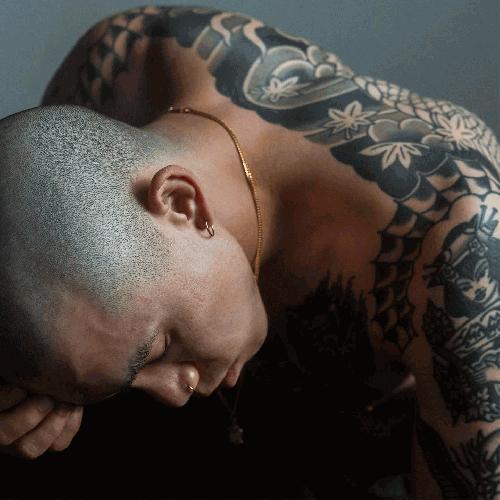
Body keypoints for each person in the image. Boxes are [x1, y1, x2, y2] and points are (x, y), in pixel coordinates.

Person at [0, 4, 499, 499]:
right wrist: (49, 383)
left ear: (183, 203)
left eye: (161, 348)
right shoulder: (116, 72)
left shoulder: (455, 247)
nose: (176, 394)